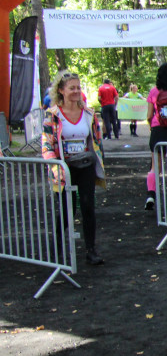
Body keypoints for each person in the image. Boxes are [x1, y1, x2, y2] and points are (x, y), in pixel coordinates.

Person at [41, 71, 106, 266]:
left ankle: (91, 250)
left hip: (85, 165)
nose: (76, 91)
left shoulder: (89, 113)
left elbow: (96, 140)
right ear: (61, 90)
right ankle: (59, 250)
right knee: (65, 209)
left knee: (87, 206)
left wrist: (99, 161)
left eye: (78, 87)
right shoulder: (52, 115)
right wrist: (56, 167)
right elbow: (46, 145)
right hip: (63, 168)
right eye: (72, 88)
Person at [145, 63, 167, 210]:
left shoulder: (154, 92)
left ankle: (151, 195)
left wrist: (152, 126)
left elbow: (148, 115)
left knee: (155, 167)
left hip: (158, 131)